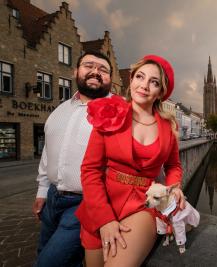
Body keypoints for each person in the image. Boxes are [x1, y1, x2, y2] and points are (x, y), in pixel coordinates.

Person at [75, 54, 186, 266]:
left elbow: (173, 165)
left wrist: (174, 187)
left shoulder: (168, 126)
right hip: (102, 203)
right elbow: (90, 170)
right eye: (140, 77)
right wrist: (104, 219)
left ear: (161, 92)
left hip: (142, 204)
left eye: (153, 82)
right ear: (131, 79)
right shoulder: (109, 112)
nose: (144, 86)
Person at [32, 51, 113, 267]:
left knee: (49, 263)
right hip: (52, 199)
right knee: (44, 252)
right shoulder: (60, 110)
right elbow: (48, 152)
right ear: (76, 72)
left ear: (110, 79)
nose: (95, 71)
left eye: (103, 69)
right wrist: (42, 190)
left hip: (85, 203)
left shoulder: (119, 110)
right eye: (89, 66)